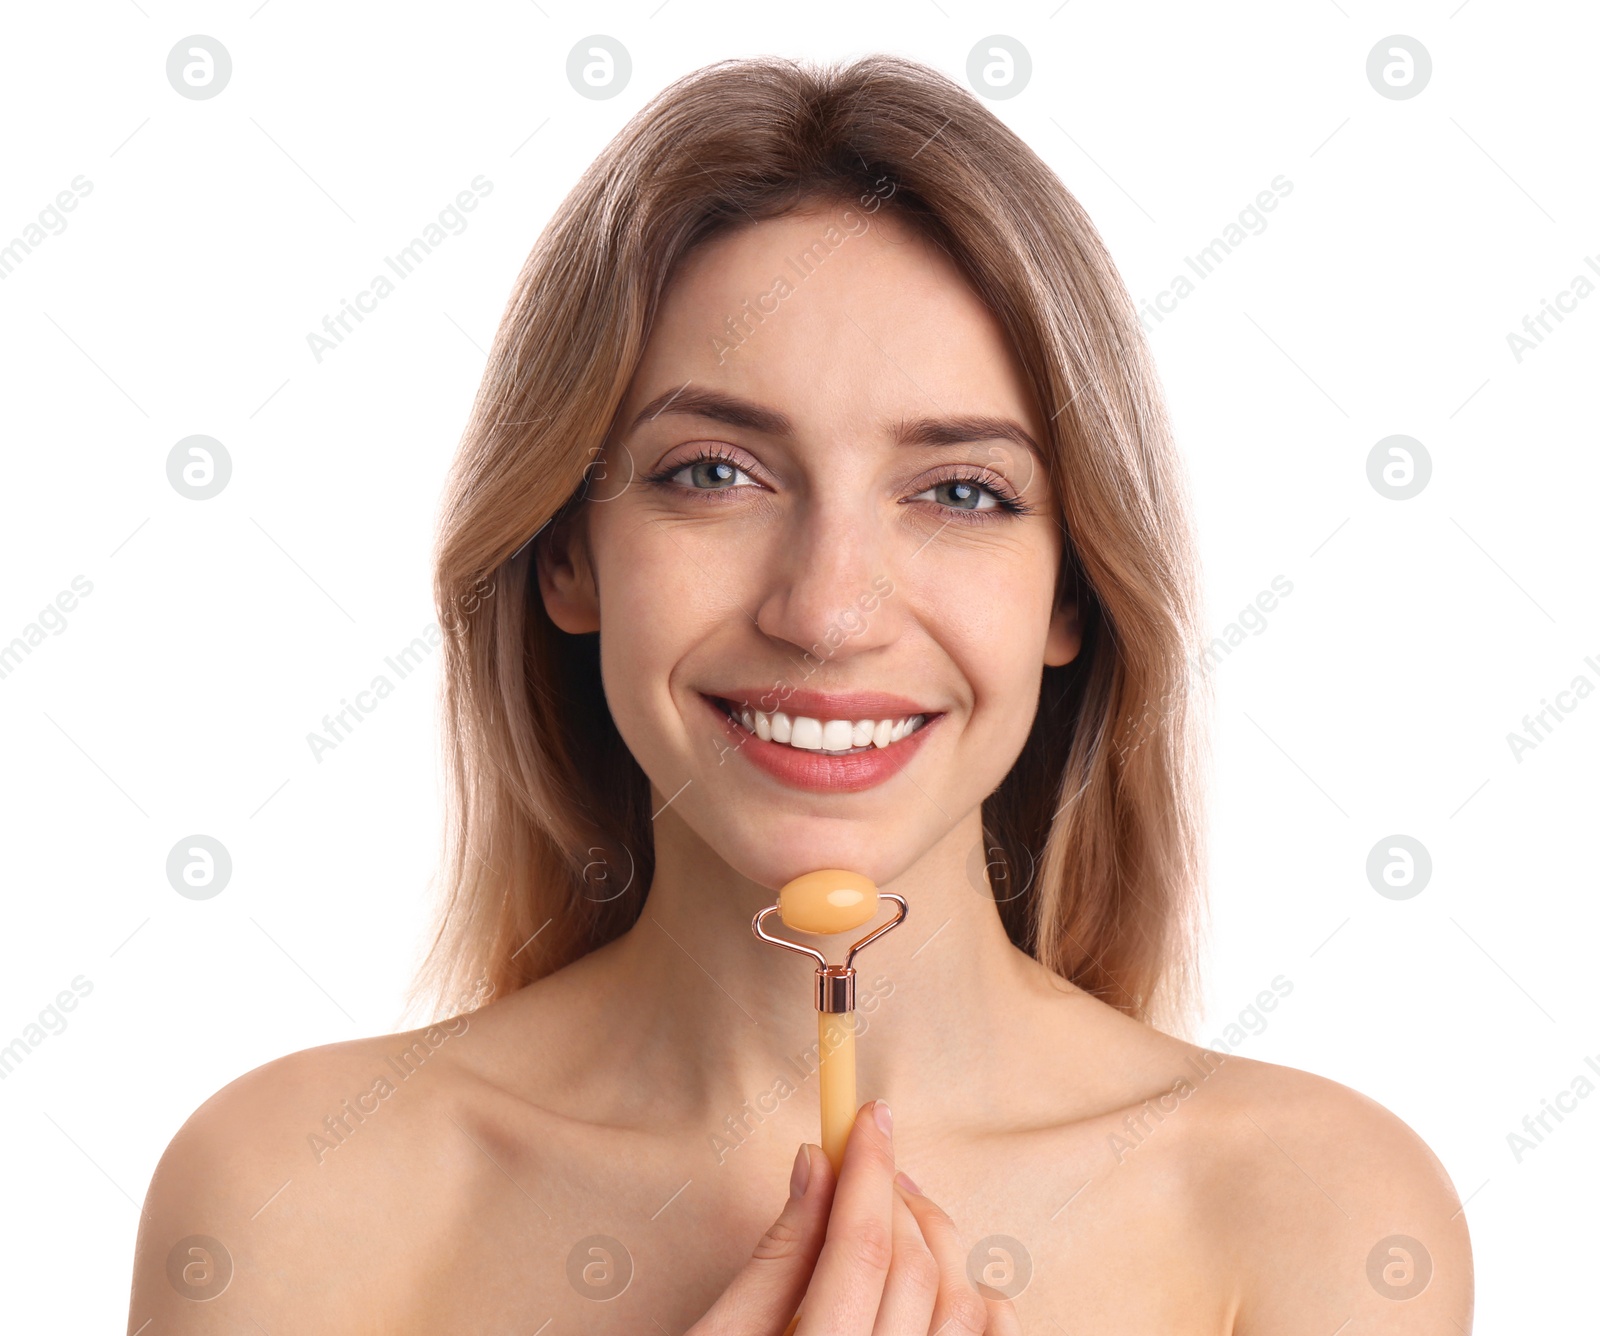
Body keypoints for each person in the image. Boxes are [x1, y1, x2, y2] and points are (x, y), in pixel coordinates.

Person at [128, 54, 1473, 1333]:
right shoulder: (288, 1198)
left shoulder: (1318, 1213)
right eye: (714, 472)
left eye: (960, 492)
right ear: (567, 554)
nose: (828, 614)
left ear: (1070, 594)